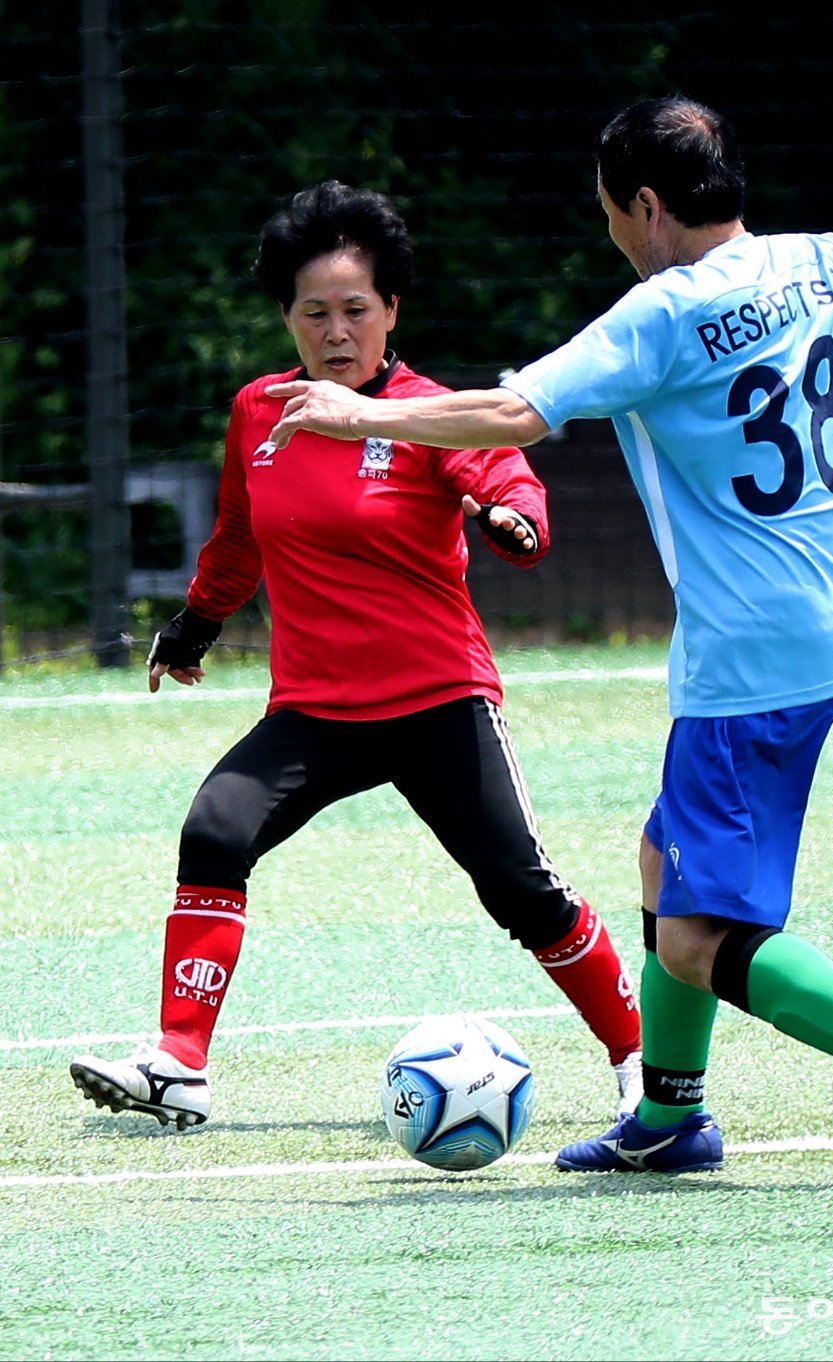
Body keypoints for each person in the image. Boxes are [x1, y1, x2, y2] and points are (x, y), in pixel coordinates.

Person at [258, 98, 833, 1190]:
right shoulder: (832, 265)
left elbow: (511, 416)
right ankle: (668, 1115)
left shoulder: (663, 314)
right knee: (663, 860)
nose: (610, 235)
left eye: (609, 214)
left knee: (694, 938)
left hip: (748, 667)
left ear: (648, 207)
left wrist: (357, 417)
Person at [69, 180, 644, 1131]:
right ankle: (179, 1063)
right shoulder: (260, 411)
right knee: (215, 831)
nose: (335, 333)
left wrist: (513, 522)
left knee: (522, 891)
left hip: (437, 700)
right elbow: (239, 536)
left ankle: (639, 1056)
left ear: (391, 312)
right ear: (286, 318)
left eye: (356, 311)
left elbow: (508, 480)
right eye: (313, 313)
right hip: (316, 712)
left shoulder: (426, 412)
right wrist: (197, 624)